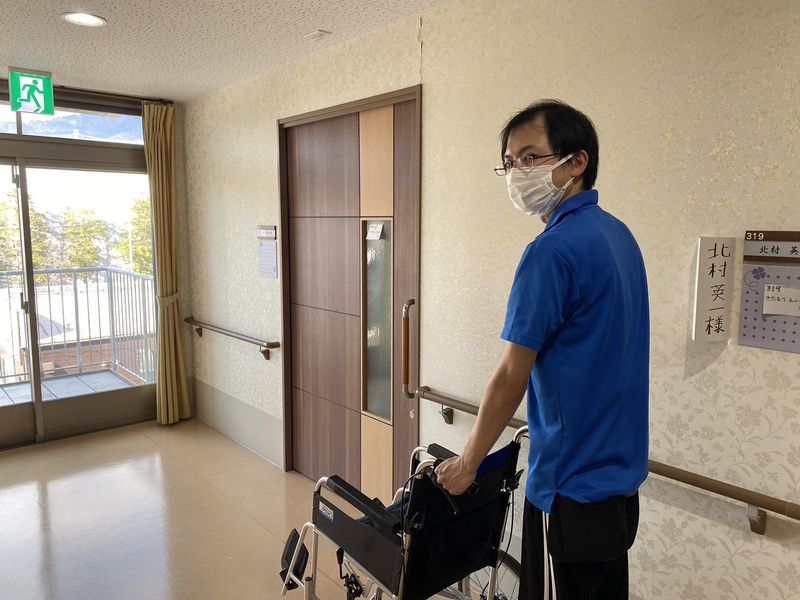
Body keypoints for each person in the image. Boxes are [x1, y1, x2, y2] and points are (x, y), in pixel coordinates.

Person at [435, 100, 649, 600]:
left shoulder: (550, 252)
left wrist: (468, 463)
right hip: (618, 484)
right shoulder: (619, 236)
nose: (517, 172)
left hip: (569, 488)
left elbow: (513, 372)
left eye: (530, 157)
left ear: (577, 162)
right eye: (510, 162)